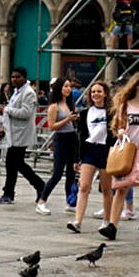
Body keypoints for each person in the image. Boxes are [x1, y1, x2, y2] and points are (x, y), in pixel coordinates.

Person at [103, 70, 139, 242]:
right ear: (136, 85)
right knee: (121, 188)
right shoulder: (125, 104)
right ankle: (112, 226)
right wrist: (120, 131)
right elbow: (119, 125)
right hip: (129, 151)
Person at [0, 68, 52, 212]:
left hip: (21, 134)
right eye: (13, 77)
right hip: (14, 133)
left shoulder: (28, 93)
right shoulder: (17, 91)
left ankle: (30, 187)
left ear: (24, 78)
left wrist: (7, 110)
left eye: (17, 77)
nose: (14, 79)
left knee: (14, 163)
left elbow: (26, 113)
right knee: (14, 163)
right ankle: (15, 191)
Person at [68, 80, 116, 233]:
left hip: (105, 151)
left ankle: (106, 220)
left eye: (99, 91)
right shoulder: (84, 113)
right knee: (84, 186)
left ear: (105, 94)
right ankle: (77, 221)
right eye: (93, 91)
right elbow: (80, 137)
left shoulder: (112, 113)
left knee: (107, 189)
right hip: (89, 150)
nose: (96, 94)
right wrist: (76, 158)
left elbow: (115, 134)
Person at [45, 75, 81, 210]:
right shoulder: (54, 106)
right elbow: (52, 126)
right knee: (57, 173)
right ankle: (42, 200)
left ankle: (70, 201)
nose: (68, 89)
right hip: (60, 139)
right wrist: (68, 120)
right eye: (65, 86)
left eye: (69, 86)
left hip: (71, 138)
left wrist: (75, 118)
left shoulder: (69, 104)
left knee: (71, 172)